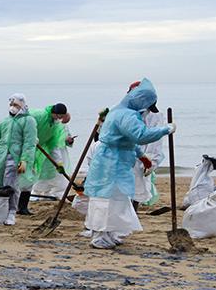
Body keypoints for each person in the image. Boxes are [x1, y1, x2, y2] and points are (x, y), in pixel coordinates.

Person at [82, 78, 173, 249]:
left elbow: (127, 140)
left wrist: (142, 156)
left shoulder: (119, 110)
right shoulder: (127, 115)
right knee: (105, 201)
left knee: (117, 200)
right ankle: (100, 237)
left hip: (116, 162)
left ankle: (111, 234)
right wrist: (165, 129)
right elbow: (140, 135)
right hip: (110, 164)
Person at [0, 93, 37, 226]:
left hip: (15, 158)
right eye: (11, 105)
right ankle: (0, 211)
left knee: (11, 185)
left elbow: (29, 143)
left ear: (22, 105)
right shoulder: (4, 121)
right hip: (0, 158)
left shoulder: (28, 121)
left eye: (16, 105)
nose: (13, 107)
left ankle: (12, 212)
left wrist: (24, 160)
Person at [18, 103, 71, 214]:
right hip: (21, 146)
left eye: (61, 117)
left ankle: (22, 207)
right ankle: (15, 204)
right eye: (58, 116)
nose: (59, 119)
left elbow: (53, 145)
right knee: (18, 175)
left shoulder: (55, 125)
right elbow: (22, 122)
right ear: (53, 112)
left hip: (34, 150)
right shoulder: (39, 115)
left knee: (29, 177)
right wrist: (31, 137)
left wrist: (59, 163)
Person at [128, 82, 168, 208]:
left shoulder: (156, 117)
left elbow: (155, 143)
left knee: (138, 188)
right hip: (126, 155)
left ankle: (133, 212)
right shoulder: (128, 114)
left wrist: (150, 161)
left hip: (142, 156)